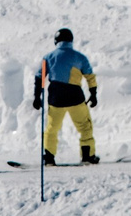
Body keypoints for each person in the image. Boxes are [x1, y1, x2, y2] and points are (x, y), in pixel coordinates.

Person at [31, 28, 99, 166]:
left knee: (52, 128)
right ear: (71, 41)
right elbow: (90, 77)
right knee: (85, 127)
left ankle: (49, 157)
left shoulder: (48, 57)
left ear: (56, 41)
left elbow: (39, 78)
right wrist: (93, 94)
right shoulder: (80, 57)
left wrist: (37, 97)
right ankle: (87, 156)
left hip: (56, 99)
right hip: (76, 98)